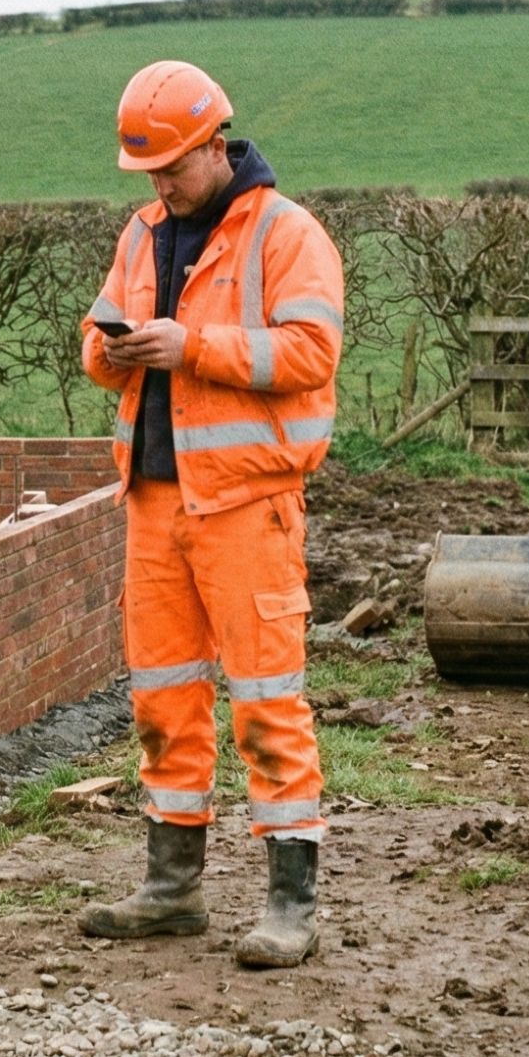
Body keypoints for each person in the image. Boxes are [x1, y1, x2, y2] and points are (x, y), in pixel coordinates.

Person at [77, 60, 346, 968]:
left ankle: (290, 903)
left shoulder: (285, 233)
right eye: (148, 173)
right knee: (163, 699)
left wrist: (192, 348)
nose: (161, 185)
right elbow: (96, 339)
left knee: (266, 699)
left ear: (216, 145)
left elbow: (310, 353)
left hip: (246, 503)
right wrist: (113, 353)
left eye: (173, 168)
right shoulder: (143, 233)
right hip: (154, 499)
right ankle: (171, 889)